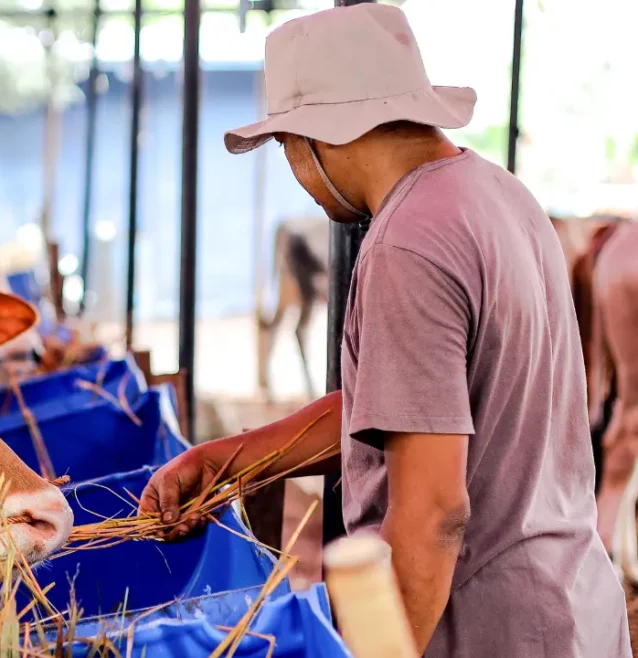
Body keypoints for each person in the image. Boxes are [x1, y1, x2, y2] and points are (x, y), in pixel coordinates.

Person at [138, 4, 629, 657]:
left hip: (483, 630)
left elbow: (432, 513)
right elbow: (415, 409)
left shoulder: (407, 244)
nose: (295, 171)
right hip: (573, 607)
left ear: (319, 134)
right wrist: (228, 458)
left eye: (285, 144)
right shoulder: (500, 195)